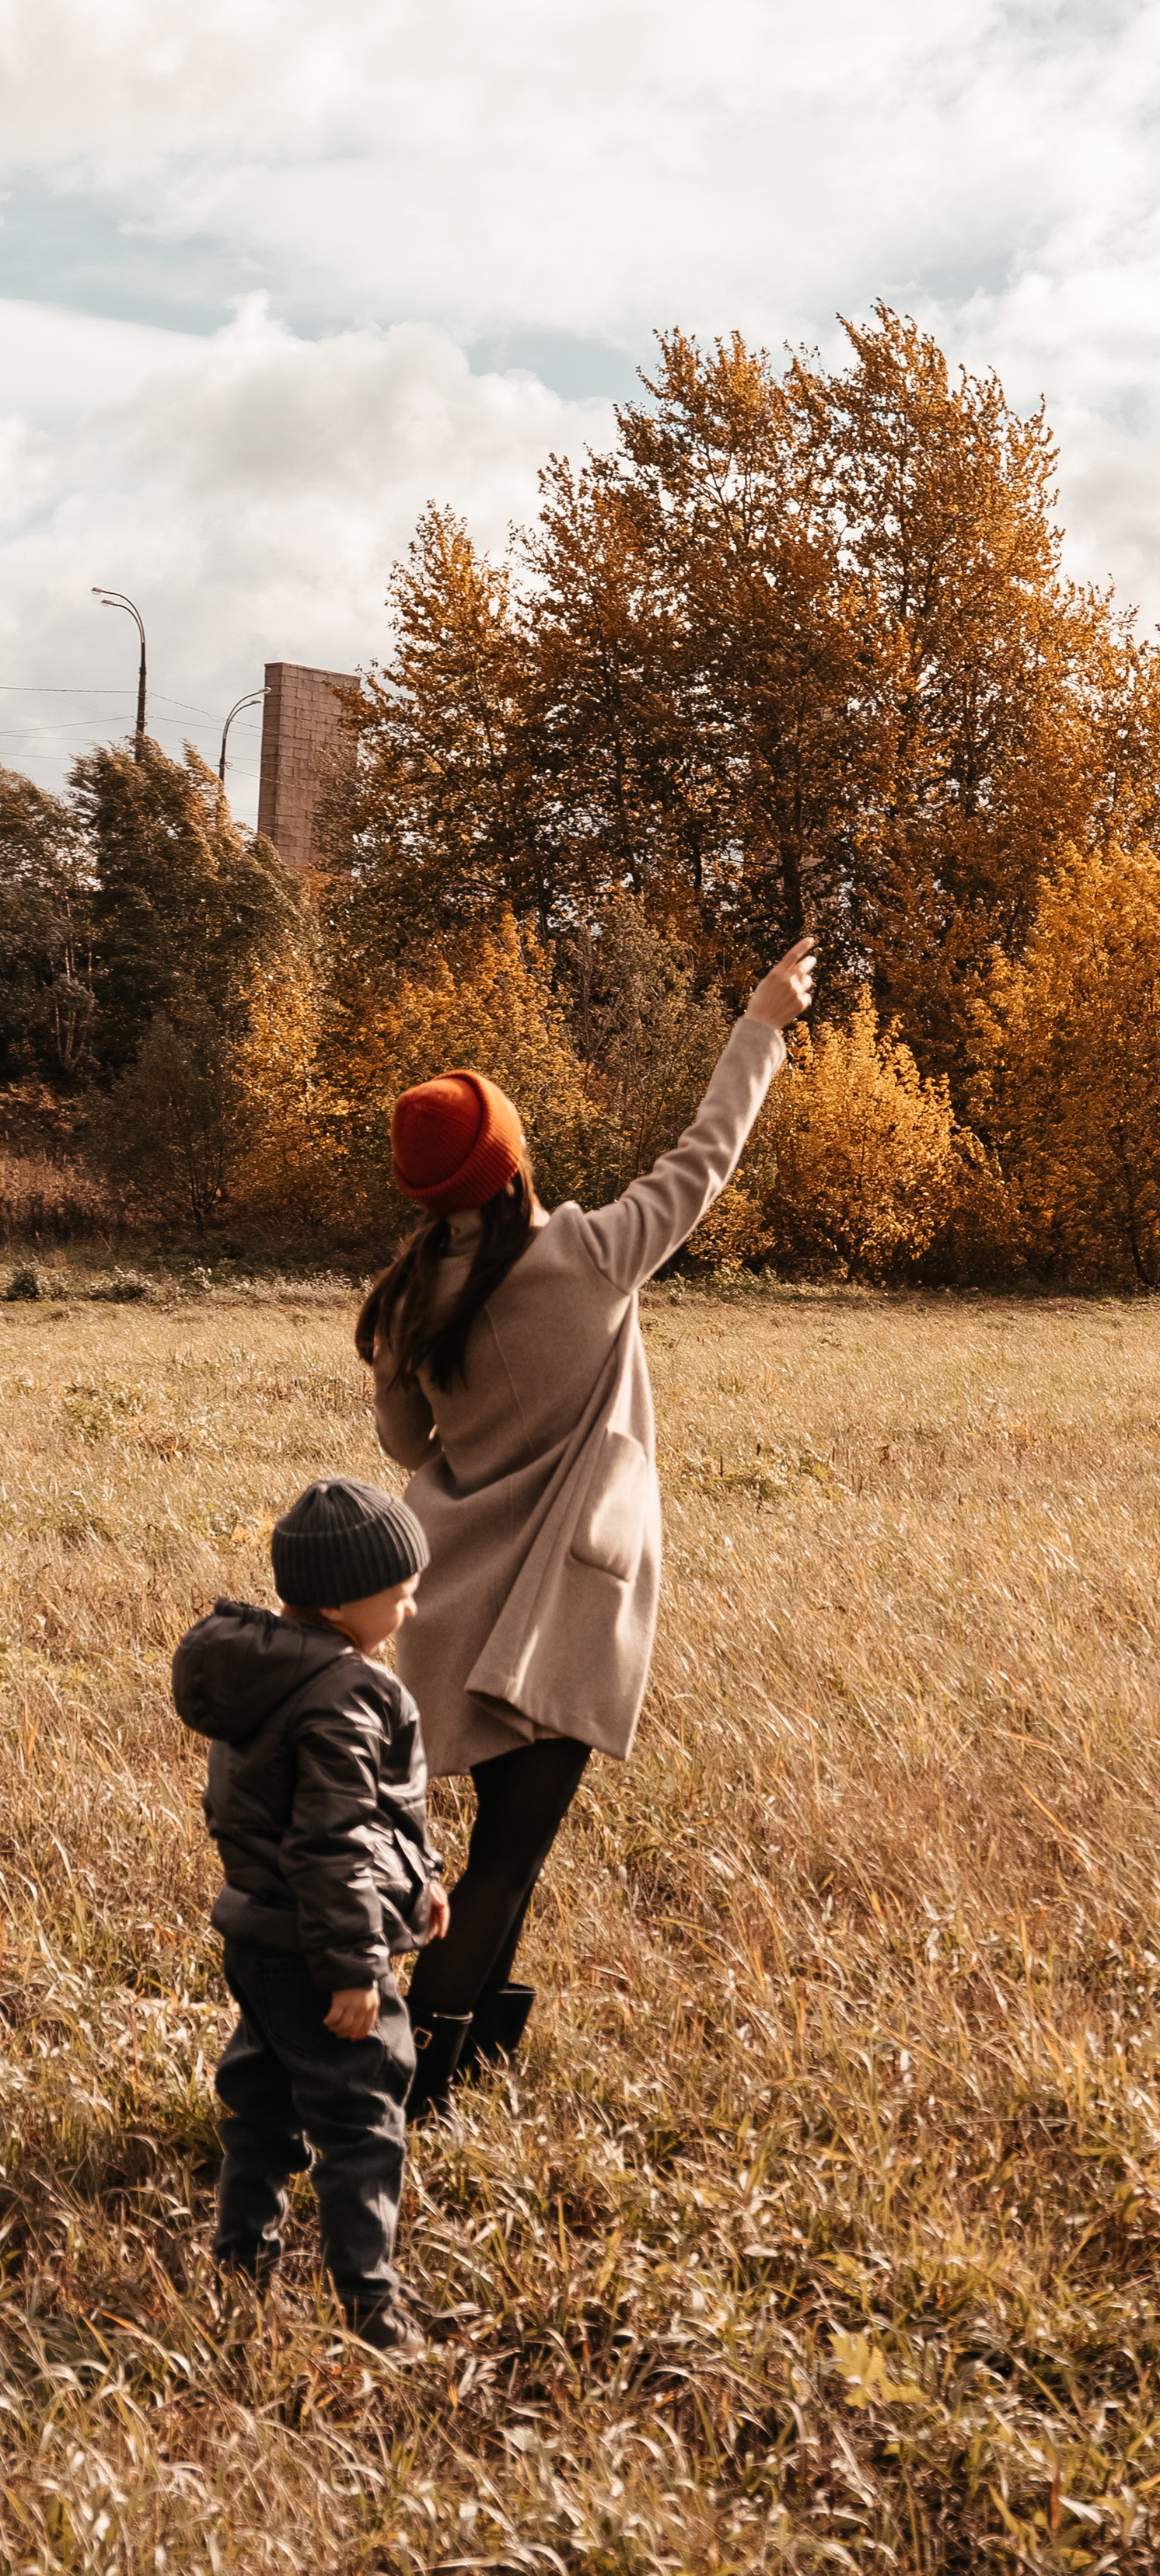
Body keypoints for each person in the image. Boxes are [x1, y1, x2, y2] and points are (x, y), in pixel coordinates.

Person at [357, 930, 816, 2114]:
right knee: (506, 1862)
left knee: (505, 1853)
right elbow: (707, 1155)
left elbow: (409, 1449)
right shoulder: (590, 1255)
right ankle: (416, 2084)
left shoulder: (410, 1299)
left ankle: (480, 2044)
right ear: (512, 1160)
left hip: (454, 1611)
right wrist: (760, 1018)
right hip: (557, 1611)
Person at [172, 1475, 448, 2356]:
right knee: (361, 2119)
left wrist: (423, 1879)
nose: (412, 1605)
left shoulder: (269, 1676)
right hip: (319, 1951)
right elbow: (331, 1843)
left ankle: (240, 2260)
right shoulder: (348, 1695)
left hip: (258, 1940)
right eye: (400, 1593)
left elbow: (356, 1818)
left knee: (262, 2099)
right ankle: (374, 2312)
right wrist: (355, 1967)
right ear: (340, 1600)